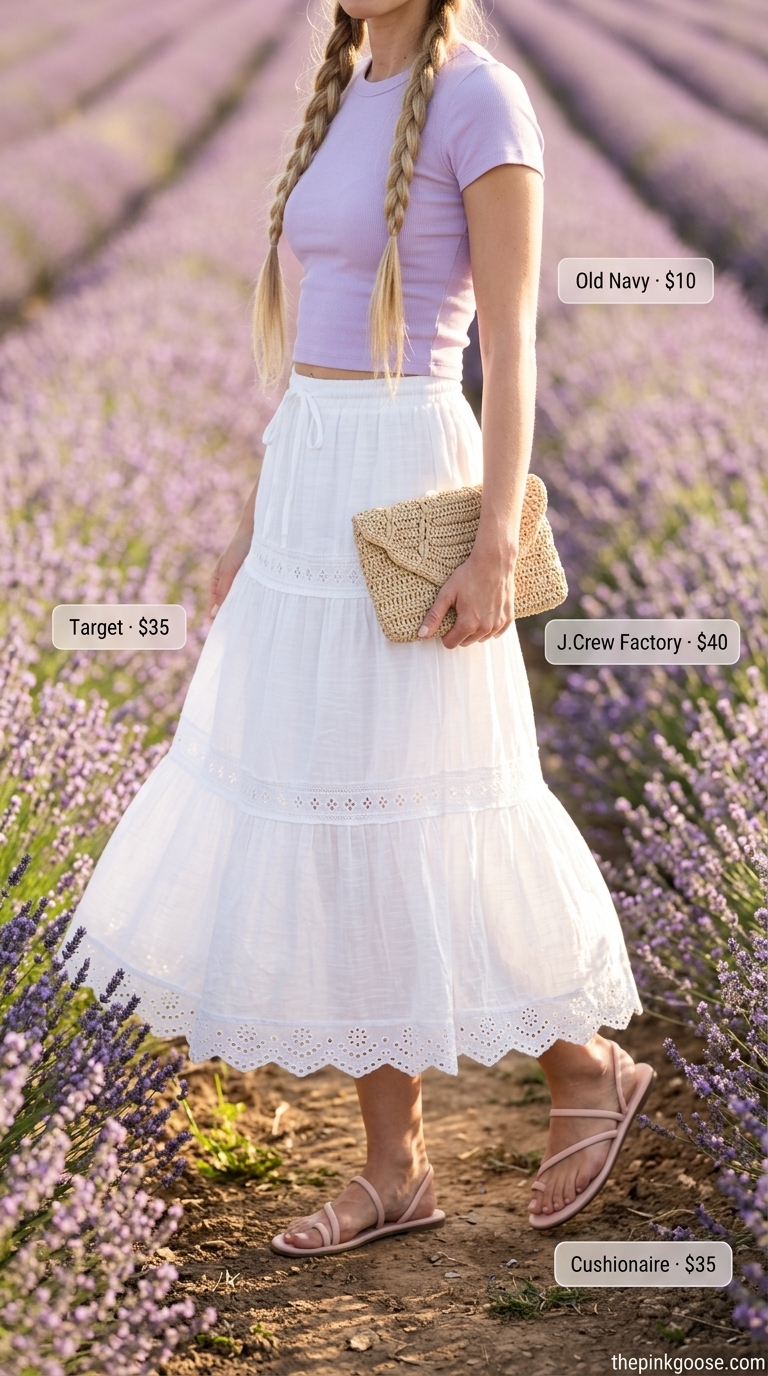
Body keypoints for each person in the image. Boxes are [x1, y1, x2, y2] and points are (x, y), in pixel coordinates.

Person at [72, 0, 651, 1252]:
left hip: (413, 472)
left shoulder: (483, 99)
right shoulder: (337, 88)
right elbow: (310, 361)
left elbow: (512, 342)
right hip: (310, 480)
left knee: (424, 804)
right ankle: (396, 1167)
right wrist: (251, 518)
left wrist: (496, 541)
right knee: (334, 801)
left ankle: (581, 1066)